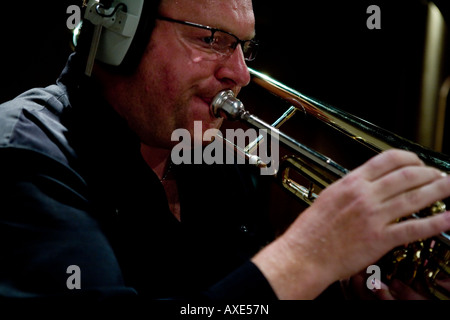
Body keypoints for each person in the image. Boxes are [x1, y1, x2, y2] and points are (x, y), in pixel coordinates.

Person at [0, 0, 449, 303]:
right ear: (122, 32)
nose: (241, 74)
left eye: (244, 47)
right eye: (212, 39)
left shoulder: (217, 163)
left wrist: (340, 287)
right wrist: (304, 258)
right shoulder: (28, 151)